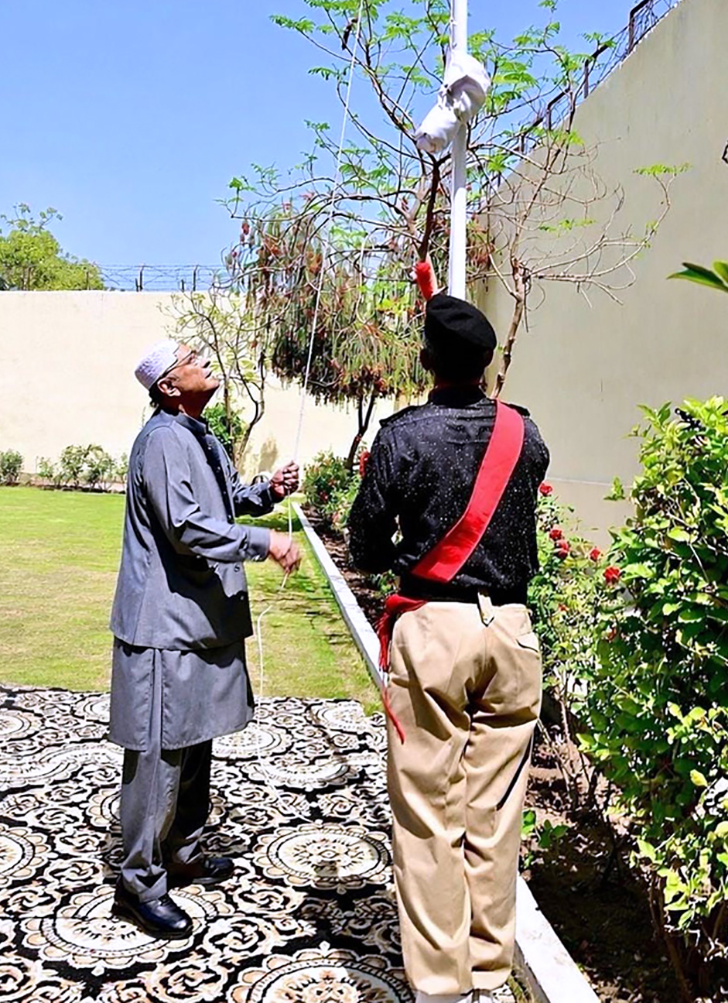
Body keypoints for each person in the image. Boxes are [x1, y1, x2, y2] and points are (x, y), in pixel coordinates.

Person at [348, 294, 549, 1003]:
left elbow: (366, 548)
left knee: (429, 812)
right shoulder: (525, 435)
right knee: (494, 812)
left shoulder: (402, 437)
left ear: (427, 359)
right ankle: (491, 972)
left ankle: (442, 986)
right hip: (513, 632)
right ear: (488, 363)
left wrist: (411, 547)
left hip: (434, 629)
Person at [109, 339, 301, 940]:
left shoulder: (200, 435)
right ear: (168, 386)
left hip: (200, 622)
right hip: (165, 625)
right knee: (159, 758)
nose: (206, 362)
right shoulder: (164, 439)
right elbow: (188, 525)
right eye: (193, 358)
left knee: (195, 747)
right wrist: (262, 541)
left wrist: (266, 493)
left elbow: (219, 501)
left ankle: (183, 853)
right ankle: (138, 884)